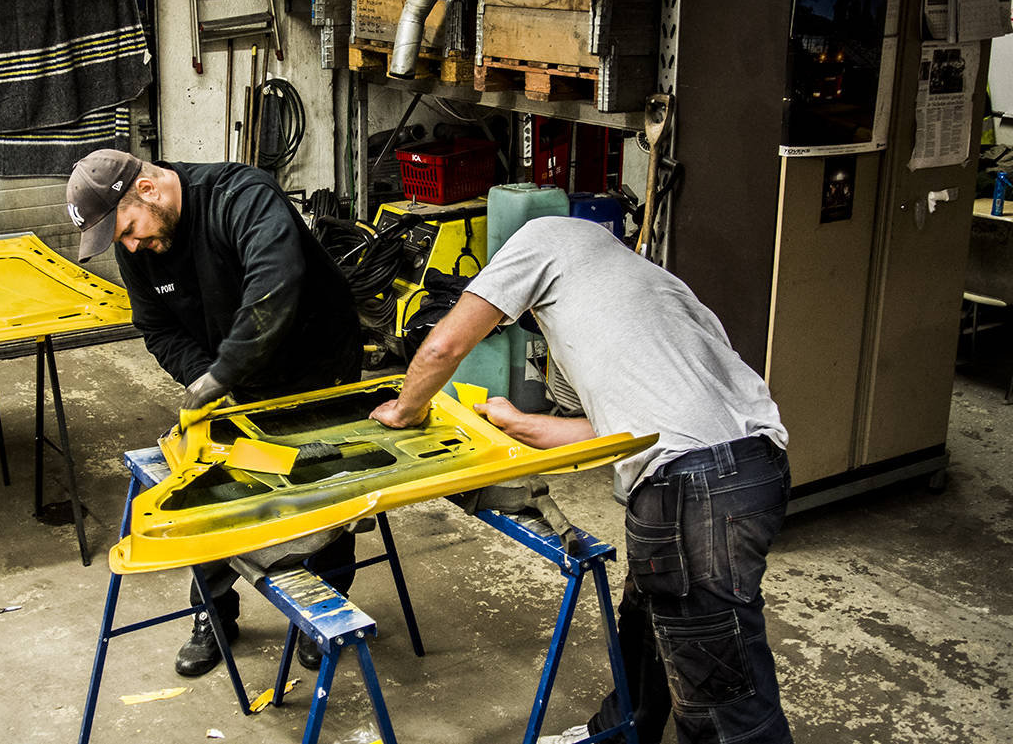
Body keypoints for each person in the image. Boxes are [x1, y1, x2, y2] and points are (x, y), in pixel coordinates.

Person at [371, 216, 792, 744]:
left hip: (692, 487)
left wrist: (407, 410)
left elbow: (442, 349)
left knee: (722, 696)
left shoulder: (538, 238)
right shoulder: (652, 288)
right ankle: (619, 732)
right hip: (755, 468)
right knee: (649, 626)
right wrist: (521, 425)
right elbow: (617, 429)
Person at [66, 148, 363, 677]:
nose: (131, 245)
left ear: (149, 190)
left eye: (129, 229)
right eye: (121, 240)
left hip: (316, 367)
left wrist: (222, 374)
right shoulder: (138, 240)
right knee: (207, 490)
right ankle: (213, 612)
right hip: (231, 375)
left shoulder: (241, 197)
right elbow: (157, 328)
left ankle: (326, 610)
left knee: (329, 487)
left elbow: (275, 285)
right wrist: (208, 378)